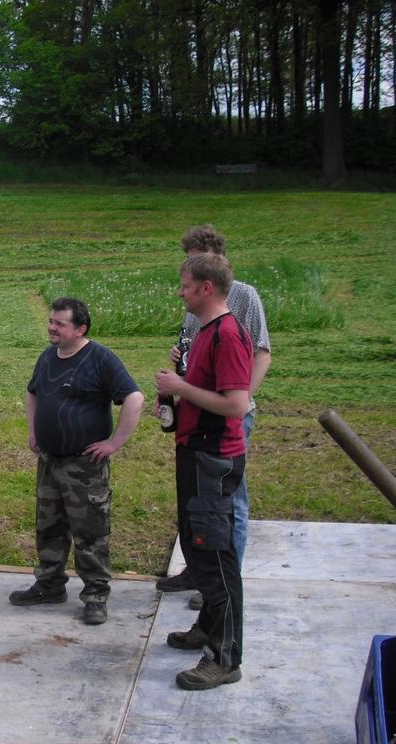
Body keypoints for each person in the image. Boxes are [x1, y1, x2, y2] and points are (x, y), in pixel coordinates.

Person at [156, 225, 271, 611]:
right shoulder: (199, 309)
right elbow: (194, 351)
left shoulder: (241, 300)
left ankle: (223, 577)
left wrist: (241, 398)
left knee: (226, 503)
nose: (183, 274)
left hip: (224, 420)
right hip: (197, 419)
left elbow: (261, 353)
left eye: (191, 259)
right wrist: (180, 364)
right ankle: (198, 569)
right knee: (197, 508)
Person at [9, 298, 144, 625]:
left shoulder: (99, 359)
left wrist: (114, 443)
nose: (52, 328)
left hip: (84, 466)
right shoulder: (47, 357)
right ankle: (50, 585)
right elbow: (33, 392)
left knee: (91, 533)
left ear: (80, 328)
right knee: (49, 526)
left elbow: (134, 397)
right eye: (51, 321)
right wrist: (33, 429)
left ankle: (96, 595)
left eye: (60, 324)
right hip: (49, 460)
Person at [155, 251, 252, 690]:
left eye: (186, 284)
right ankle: (207, 630)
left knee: (216, 556)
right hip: (195, 453)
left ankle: (225, 659)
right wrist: (176, 393)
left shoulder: (228, 335)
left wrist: (180, 387)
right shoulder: (205, 333)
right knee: (199, 547)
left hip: (214, 459)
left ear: (206, 288)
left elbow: (236, 404)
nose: (181, 291)